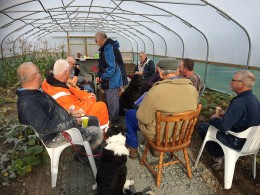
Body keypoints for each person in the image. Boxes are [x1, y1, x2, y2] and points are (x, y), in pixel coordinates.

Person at [16, 62, 103, 151]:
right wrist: (74, 122)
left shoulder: (35, 92)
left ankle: (86, 151)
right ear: (35, 77)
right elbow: (45, 127)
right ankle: (86, 159)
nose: (41, 75)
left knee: (93, 120)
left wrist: (69, 111)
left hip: (63, 123)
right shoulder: (28, 102)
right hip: (56, 136)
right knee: (97, 133)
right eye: (39, 72)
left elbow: (50, 108)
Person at [125, 58, 199, 159]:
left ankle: (132, 148)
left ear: (160, 72)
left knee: (130, 114)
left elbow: (143, 118)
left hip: (160, 135)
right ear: (178, 71)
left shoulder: (156, 90)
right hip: (181, 135)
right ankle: (154, 150)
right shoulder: (192, 89)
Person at [198, 70, 260, 170]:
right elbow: (244, 118)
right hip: (252, 142)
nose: (230, 82)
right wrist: (226, 114)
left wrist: (213, 119)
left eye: (233, 80)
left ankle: (218, 155)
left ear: (242, 84)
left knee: (203, 127)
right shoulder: (254, 99)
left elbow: (223, 126)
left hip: (236, 141)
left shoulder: (239, 102)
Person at [42, 59, 109, 126]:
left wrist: (87, 95)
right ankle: (102, 133)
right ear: (66, 73)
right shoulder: (59, 94)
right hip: (78, 118)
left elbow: (75, 90)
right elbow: (79, 113)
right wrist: (89, 99)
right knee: (101, 106)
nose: (73, 66)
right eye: (69, 71)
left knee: (91, 95)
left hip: (78, 103)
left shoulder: (57, 80)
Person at [95, 31, 128, 125]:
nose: (96, 43)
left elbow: (111, 68)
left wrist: (102, 78)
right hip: (112, 79)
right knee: (113, 100)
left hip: (112, 80)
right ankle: (114, 118)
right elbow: (103, 65)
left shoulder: (109, 48)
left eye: (96, 40)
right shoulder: (108, 47)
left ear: (100, 39)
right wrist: (99, 75)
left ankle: (114, 122)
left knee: (112, 101)